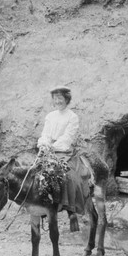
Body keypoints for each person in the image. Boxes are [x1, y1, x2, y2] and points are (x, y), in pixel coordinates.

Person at [37, 85, 89, 231]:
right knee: (36, 173)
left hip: (64, 151)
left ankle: (71, 210)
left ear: (66, 99)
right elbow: (45, 134)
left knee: (68, 176)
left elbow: (68, 136)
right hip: (48, 150)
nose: (58, 101)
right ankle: (42, 206)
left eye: (60, 98)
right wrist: (44, 144)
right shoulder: (50, 116)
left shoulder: (72, 117)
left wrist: (54, 147)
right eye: (55, 99)